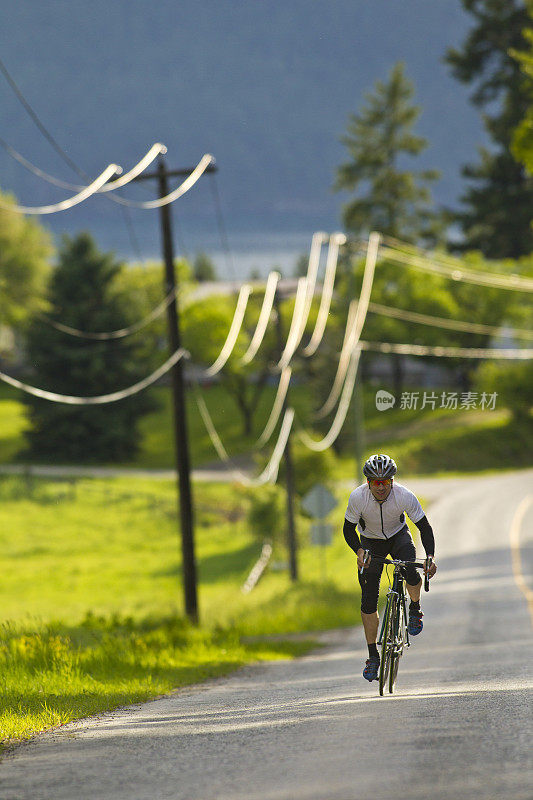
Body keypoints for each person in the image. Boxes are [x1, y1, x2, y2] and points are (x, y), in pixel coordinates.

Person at [343, 453, 437, 682]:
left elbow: (424, 527)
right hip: (370, 542)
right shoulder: (358, 498)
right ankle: (373, 656)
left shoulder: (404, 496)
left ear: (392, 481)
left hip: (398, 537)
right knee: (368, 597)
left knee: (410, 571)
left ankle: (414, 609)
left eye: (386, 481)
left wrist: (430, 557)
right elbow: (348, 530)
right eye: (376, 482)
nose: (381, 487)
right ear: (368, 483)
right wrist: (359, 551)